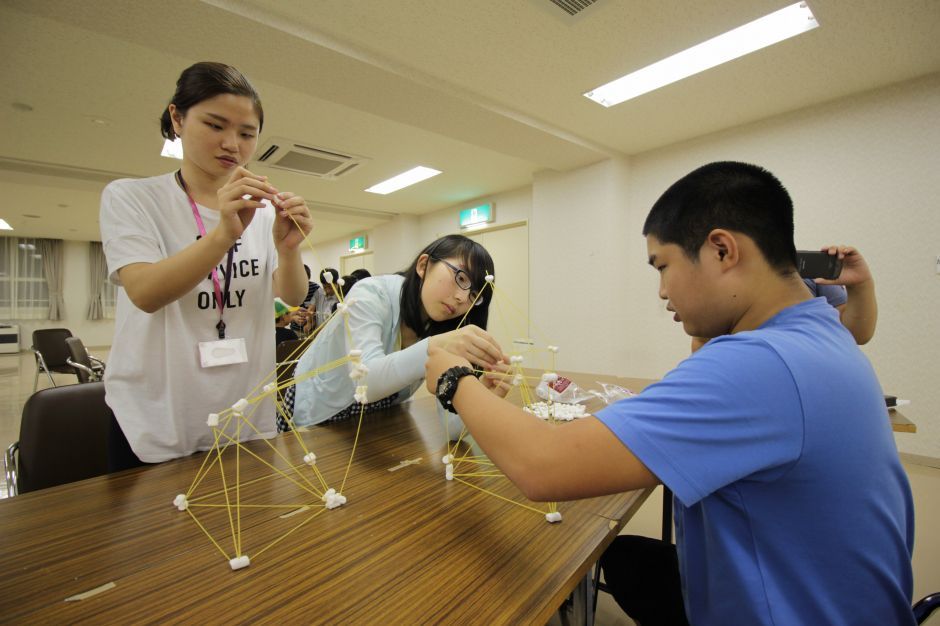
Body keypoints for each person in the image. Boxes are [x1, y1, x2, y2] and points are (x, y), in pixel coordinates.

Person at [424, 162, 914, 625]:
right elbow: (858, 327)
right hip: (848, 602)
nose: (661, 291)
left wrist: (453, 380)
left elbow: (542, 466)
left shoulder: (757, 365)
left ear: (722, 251)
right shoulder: (819, 330)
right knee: (629, 558)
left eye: (662, 266)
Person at [100, 61, 313, 469]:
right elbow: (144, 293)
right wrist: (222, 235)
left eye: (247, 133)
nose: (232, 144)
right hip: (156, 416)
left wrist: (289, 251)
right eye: (215, 125)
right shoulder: (131, 198)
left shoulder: (264, 212)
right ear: (177, 119)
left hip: (245, 411)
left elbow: (290, 297)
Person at [284, 234, 510, 432]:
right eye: (461, 278)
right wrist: (437, 345)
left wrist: (481, 397)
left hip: (373, 429)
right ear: (424, 265)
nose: (462, 299)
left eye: (474, 296)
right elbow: (366, 382)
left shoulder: (443, 328)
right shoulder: (371, 293)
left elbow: (450, 429)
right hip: (314, 419)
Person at [690, 244, 878, 351]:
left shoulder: (808, 273)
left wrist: (860, 285)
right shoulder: (717, 279)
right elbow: (702, 344)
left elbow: (855, 335)